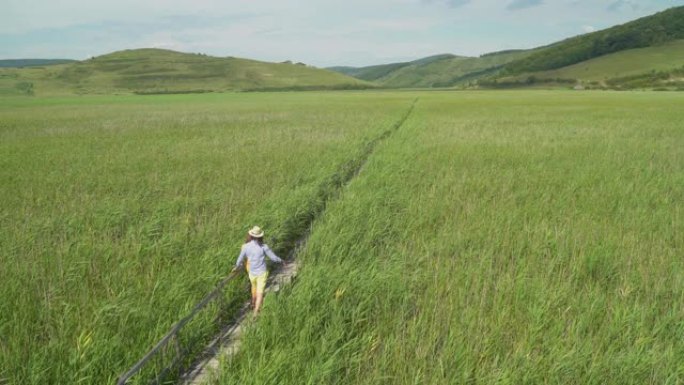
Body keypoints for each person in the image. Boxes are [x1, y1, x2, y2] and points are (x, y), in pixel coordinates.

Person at [232, 226, 284, 314]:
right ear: (260, 236)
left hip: (252, 273)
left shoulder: (245, 247)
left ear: (251, 236)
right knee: (260, 293)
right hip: (262, 273)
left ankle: (254, 303)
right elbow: (273, 257)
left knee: (254, 287)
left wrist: (236, 267)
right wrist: (281, 260)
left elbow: (239, 259)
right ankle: (256, 312)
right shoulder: (264, 247)